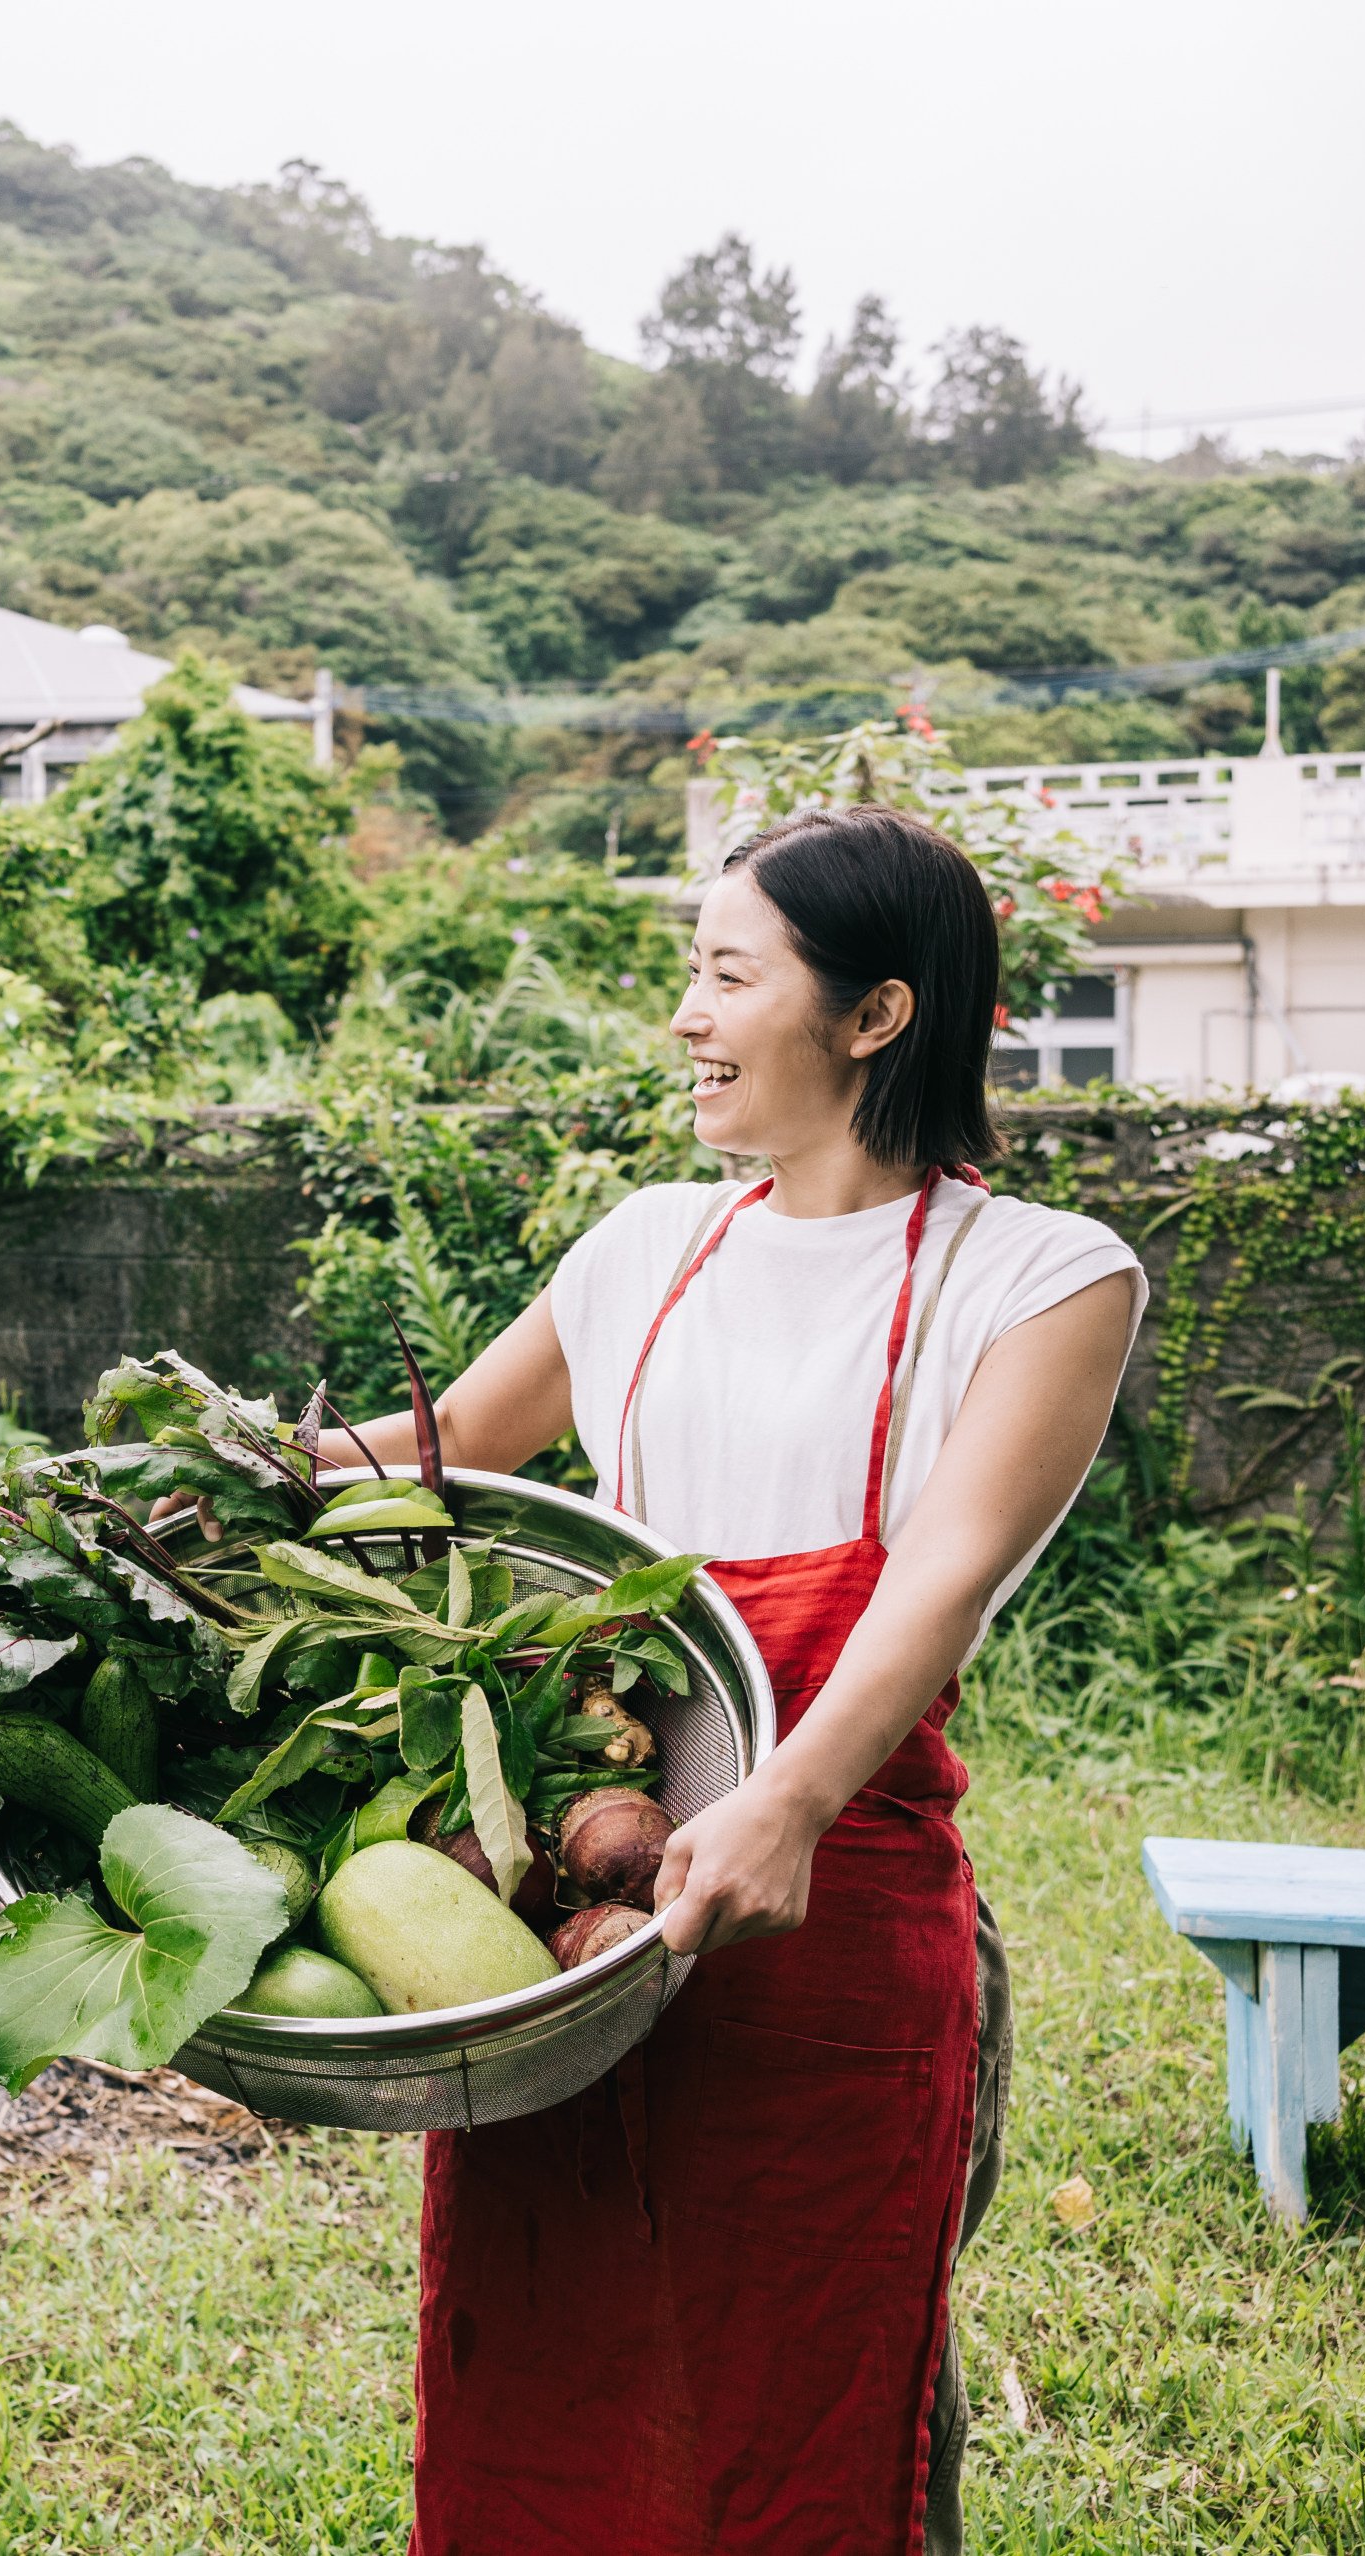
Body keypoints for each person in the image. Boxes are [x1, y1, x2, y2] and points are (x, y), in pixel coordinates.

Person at [345, 804, 1141, 2555]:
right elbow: (454, 1446)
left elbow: (936, 1575)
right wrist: (238, 1471)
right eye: (686, 975)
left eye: (728, 976)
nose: (687, 1019)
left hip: (828, 1899)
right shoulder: (641, 1245)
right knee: (547, 2371)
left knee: (818, 2399)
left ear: (873, 1016)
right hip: (588, 1916)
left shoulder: (1041, 1277)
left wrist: (783, 1798)